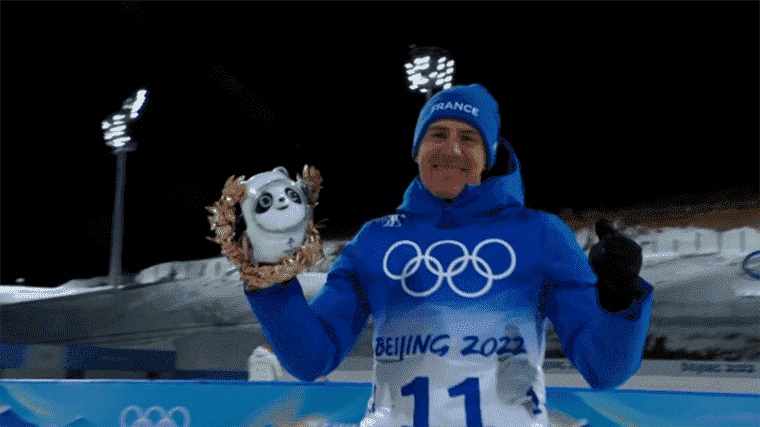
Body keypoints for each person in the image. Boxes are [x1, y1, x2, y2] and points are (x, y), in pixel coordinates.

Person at [241, 84, 653, 427]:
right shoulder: (374, 240)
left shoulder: (541, 234)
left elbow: (605, 371)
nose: (452, 149)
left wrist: (619, 298)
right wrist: (271, 281)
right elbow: (311, 359)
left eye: (468, 137)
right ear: (418, 149)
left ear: (488, 154)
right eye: (438, 134)